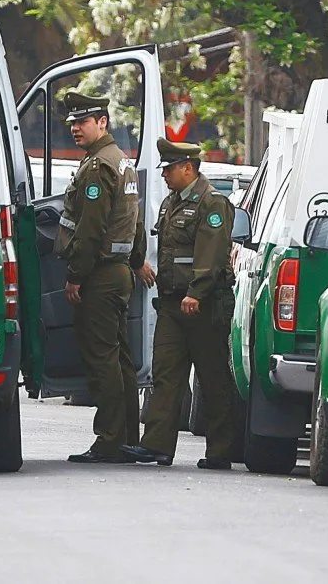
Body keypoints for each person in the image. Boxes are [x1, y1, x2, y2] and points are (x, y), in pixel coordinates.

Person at [122, 139, 241, 470]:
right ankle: (157, 445)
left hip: (203, 304)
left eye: (170, 169)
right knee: (166, 373)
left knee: (212, 376)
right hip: (173, 304)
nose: (165, 176)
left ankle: (220, 450)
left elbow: (212, 253)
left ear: (188, 168)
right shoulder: (171, 203)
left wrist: (197, 292)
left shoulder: (212, 203)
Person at [56, 91, 149, 464]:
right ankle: (126, 436)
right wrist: (138, 260)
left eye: (83, 122)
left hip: (100, 275)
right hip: (120, 272)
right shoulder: (121, 162)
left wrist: (76, 276)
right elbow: (136, 221)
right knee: (120, 359)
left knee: (103, 360)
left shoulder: (97, 166)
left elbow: (91, 229)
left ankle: (110, 440)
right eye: (73, 123)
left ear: (103, 123)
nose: (76, 129)